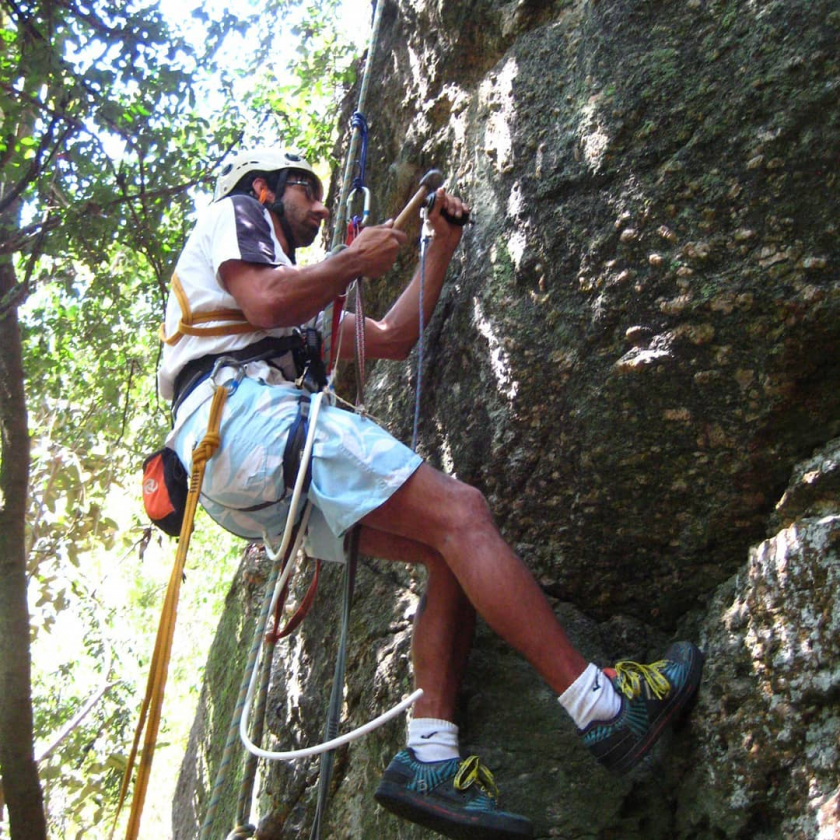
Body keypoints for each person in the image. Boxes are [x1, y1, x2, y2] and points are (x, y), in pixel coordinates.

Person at [158, 147, 704, 840]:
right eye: (307, 191)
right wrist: (352, 261)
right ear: (263, 189)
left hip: (241, 471)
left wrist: (436, 247)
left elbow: (389, 337)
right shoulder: (237, 217)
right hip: (241, 421)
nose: (321, 209)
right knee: (464, 512)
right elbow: (269, 293)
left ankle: (430, 758)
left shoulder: (280, 320)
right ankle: (605, 708)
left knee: (448, 551)